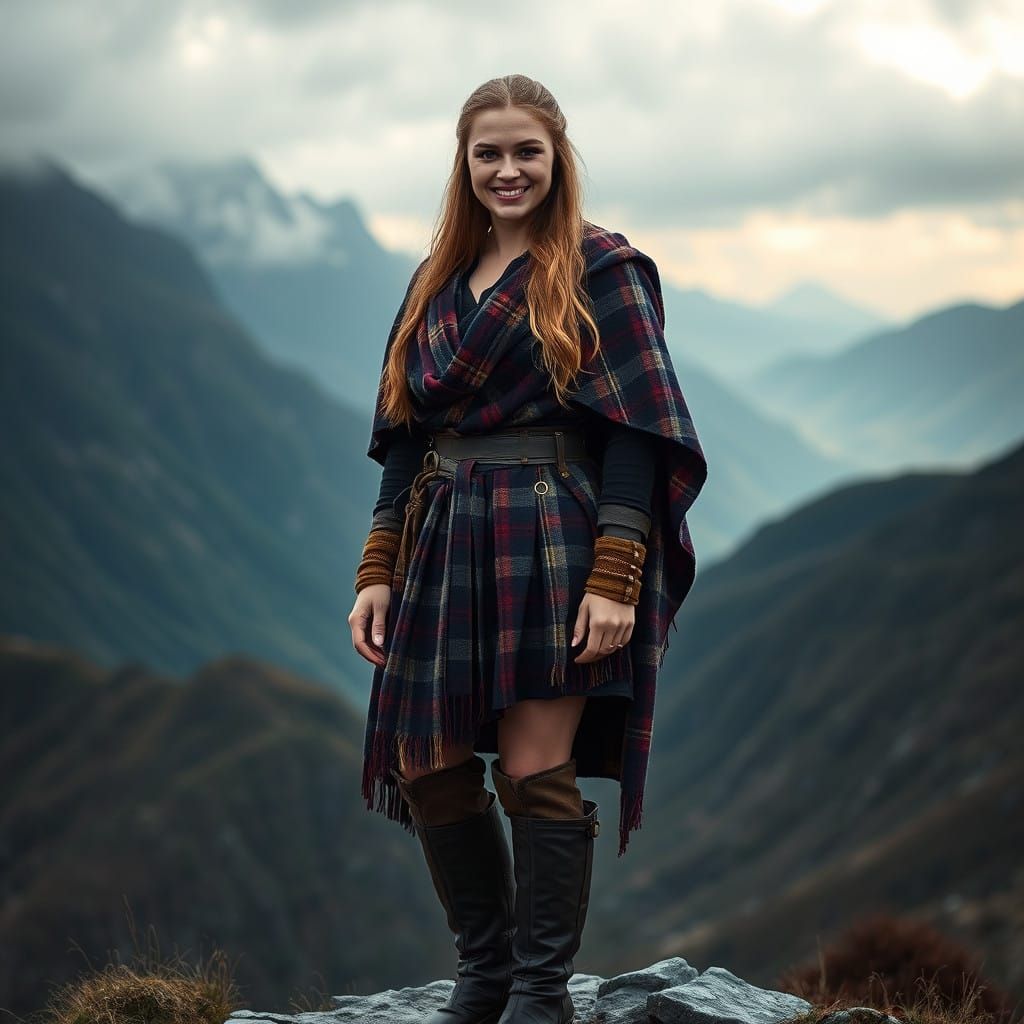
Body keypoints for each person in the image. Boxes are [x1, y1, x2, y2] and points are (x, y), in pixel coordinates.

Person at [349, 74, 707, 1024]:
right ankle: (488, 968)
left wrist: (618, 575)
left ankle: (538, 993)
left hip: (552, 529)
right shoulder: (433, 280)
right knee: (425, 758)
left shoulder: (601, 270)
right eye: (488, 154)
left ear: (557, 159)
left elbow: (638, 431)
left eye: (527, 152)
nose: (508, 170)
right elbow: (403, 435)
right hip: (442, 531)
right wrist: (376, 567)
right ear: (464, 166)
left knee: (533, 763)